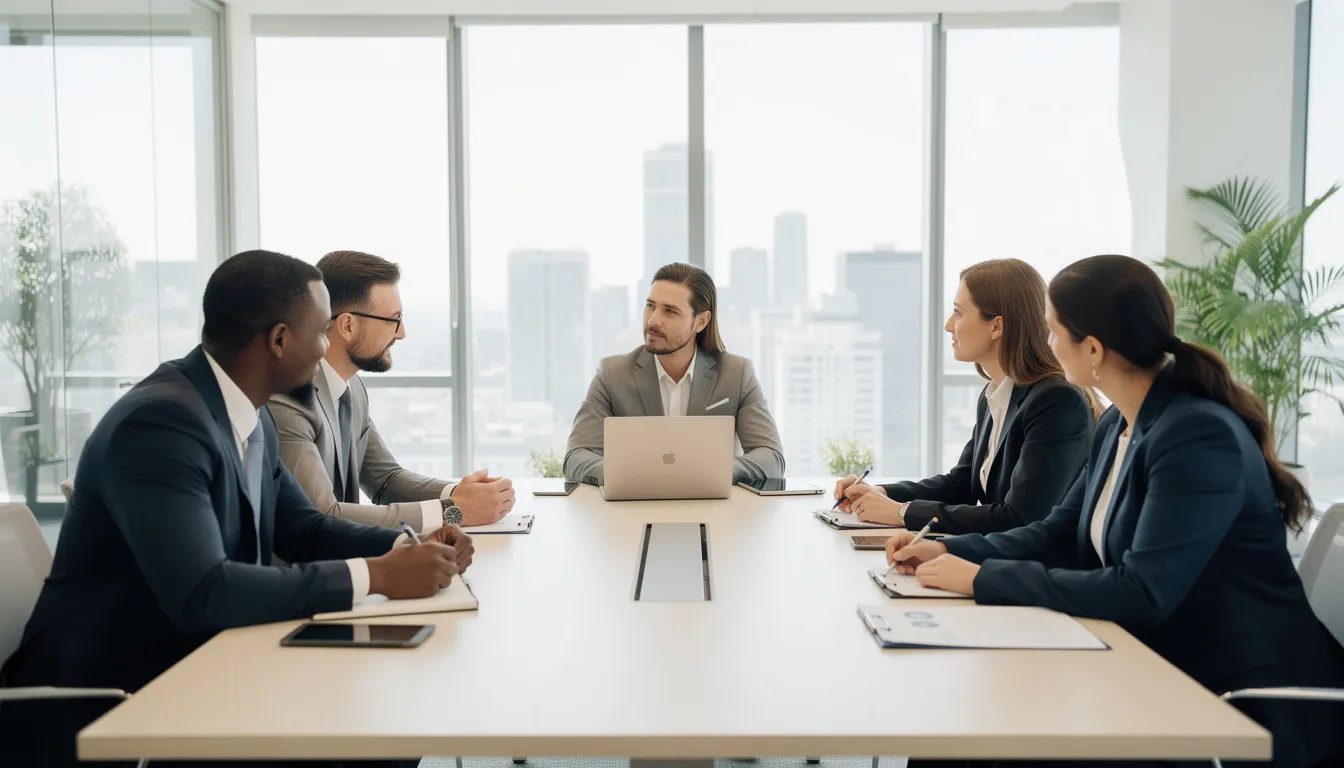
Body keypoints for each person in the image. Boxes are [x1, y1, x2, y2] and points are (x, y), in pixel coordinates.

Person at [0, 250, 471, 768]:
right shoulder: (162, 424)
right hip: (118, 699)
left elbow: (304, 528)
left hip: (204, 662)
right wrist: (377, 575)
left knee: (384, 726)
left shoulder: (248, 414)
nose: (325, 349)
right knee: (369, 741)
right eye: (320, 333)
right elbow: (205, 591)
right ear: (279, 340)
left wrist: (409, 546)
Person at [886, 254, 1344, 768]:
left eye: (1055, 331)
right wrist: (945, 547)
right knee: (959, 731)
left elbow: (1141, 590)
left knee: (1001, 741)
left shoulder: (1197, 434)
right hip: (1145, 658)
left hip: (1229, 694)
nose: (1048, 344)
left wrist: (981, 578)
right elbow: (1058, 533)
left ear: (1095, 349)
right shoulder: (1116, 426)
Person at [834, 259, 1097, 534]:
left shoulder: (1056, 402)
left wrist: (902, 513)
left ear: (997, 326)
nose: (948, 325)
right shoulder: (995, 395)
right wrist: (881, 492)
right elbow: (961, 486)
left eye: (958, 313)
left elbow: (1019, 519)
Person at [269, 250, 514, 531]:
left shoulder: (352, 389)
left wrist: (460, 494)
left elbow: (384, 479)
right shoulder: (289, 397)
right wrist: (454, 511)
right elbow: (321, 516)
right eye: (393, 320)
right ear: (348, 325)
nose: (401, 333)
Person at [565, 262, 784, 485]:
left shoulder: (737, 375)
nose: (652, 321)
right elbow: (576, 457)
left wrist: (712, 472)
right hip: (633, 509)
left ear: (701, 321)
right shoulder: (611, 375)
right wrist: (632, 474)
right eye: (650, 306)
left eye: (669, 311)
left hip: (714, 510)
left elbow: (771, 457)